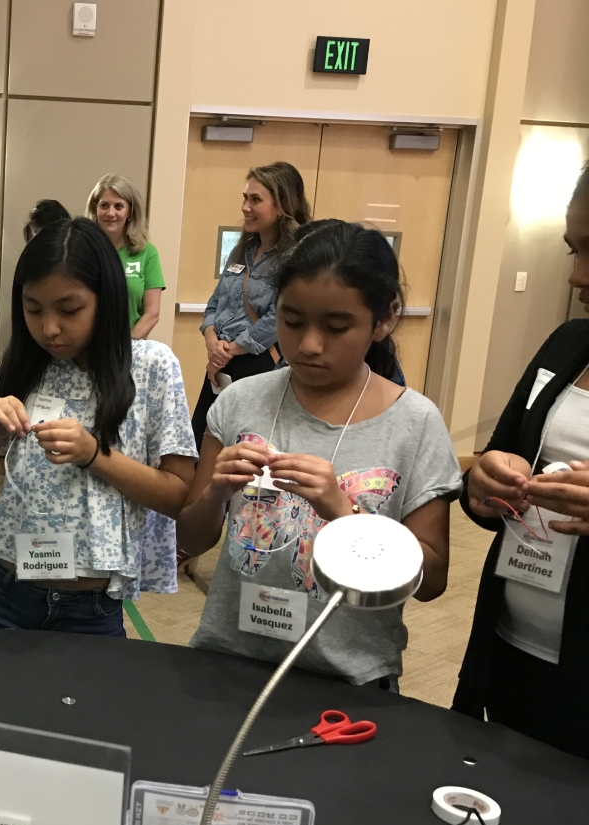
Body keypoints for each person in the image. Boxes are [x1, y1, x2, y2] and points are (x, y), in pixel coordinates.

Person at [178, 220, 459, 688]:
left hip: (348, 677)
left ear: (384, 318)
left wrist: (345, 513)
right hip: (229, 658)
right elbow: (190, 535)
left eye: (336, 327)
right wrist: (213, 494)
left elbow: (431, 581)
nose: (308, 344)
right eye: (291, 321)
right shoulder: (239, 402)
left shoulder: (415, 423)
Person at [0, 217, 196, 636]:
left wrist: (93, 454)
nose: (50, 328)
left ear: (106, 299)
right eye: (33, 309)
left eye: (69, 310)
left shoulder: (152, 367)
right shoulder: (19, 367)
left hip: (91, 605)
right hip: (3, 588)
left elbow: (178, 497)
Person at [453, 163, 589, 759]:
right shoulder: (567, 344)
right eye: (573, 250)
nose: (578, 275)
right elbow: (492, 463)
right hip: (514, 649)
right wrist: (480, 483)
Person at [190, 162, 312, 445]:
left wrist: (232, 348)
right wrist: (212, 341)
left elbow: (278, 317)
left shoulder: (295, 258)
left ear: (282, 205)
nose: (245, 207)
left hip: (257, 365)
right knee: (201, 443)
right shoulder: (242, 249)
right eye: (245, 198)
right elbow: (215, 303)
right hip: (221, 364)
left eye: (255, 199)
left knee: (244, 447)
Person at [86, 174, 164, 339]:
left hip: (130, 347)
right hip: (86, 349)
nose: (110, 212)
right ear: (95, 209)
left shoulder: (147, 253)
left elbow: (152, 313)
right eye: (104, 205)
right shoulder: (83, 250)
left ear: (130, 211)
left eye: (119, 206)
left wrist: (127, 348)